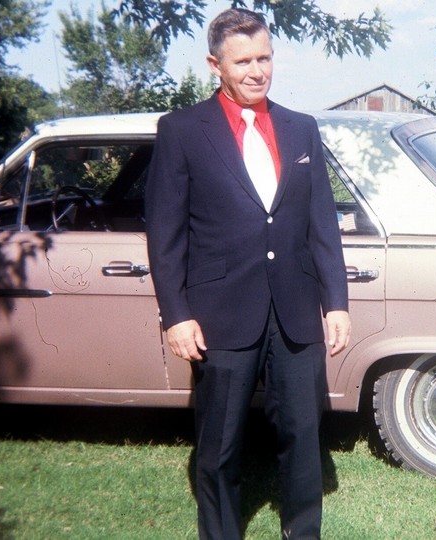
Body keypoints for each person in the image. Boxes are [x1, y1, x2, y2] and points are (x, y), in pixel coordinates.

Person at [144, 8, 351, 539]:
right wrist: (176, 315)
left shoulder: (302, 129)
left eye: (265, 58)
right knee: (219, 447)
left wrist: (336, 303)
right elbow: (165, 234)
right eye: (243, 62)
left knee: (303, 439)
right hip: (220, 314)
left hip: (295, 312)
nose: (257, 71)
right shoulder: (181, 130)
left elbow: (322, 223)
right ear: (215, 65)